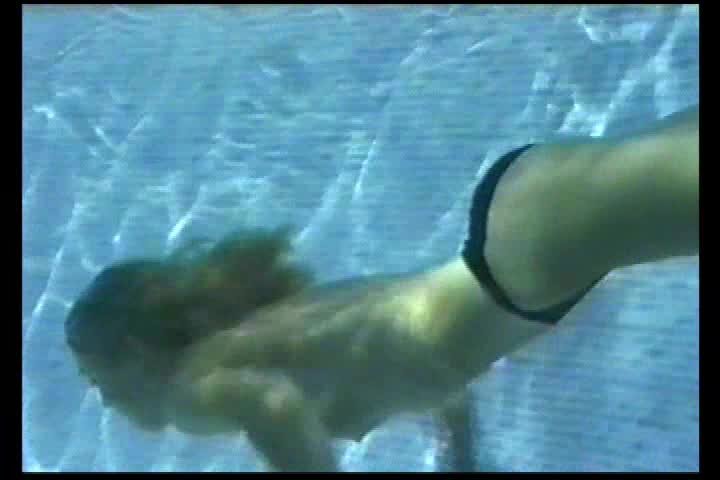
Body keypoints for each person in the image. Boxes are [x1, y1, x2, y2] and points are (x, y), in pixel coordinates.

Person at [65, 105, 698, 472]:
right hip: (524, 244)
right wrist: (459, 455)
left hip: (524, 265)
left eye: (98, 381)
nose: (104, 402)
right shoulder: (280, 338)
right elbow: (432, 382)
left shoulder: (191, 388)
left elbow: (273, 407)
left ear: (134, 354)